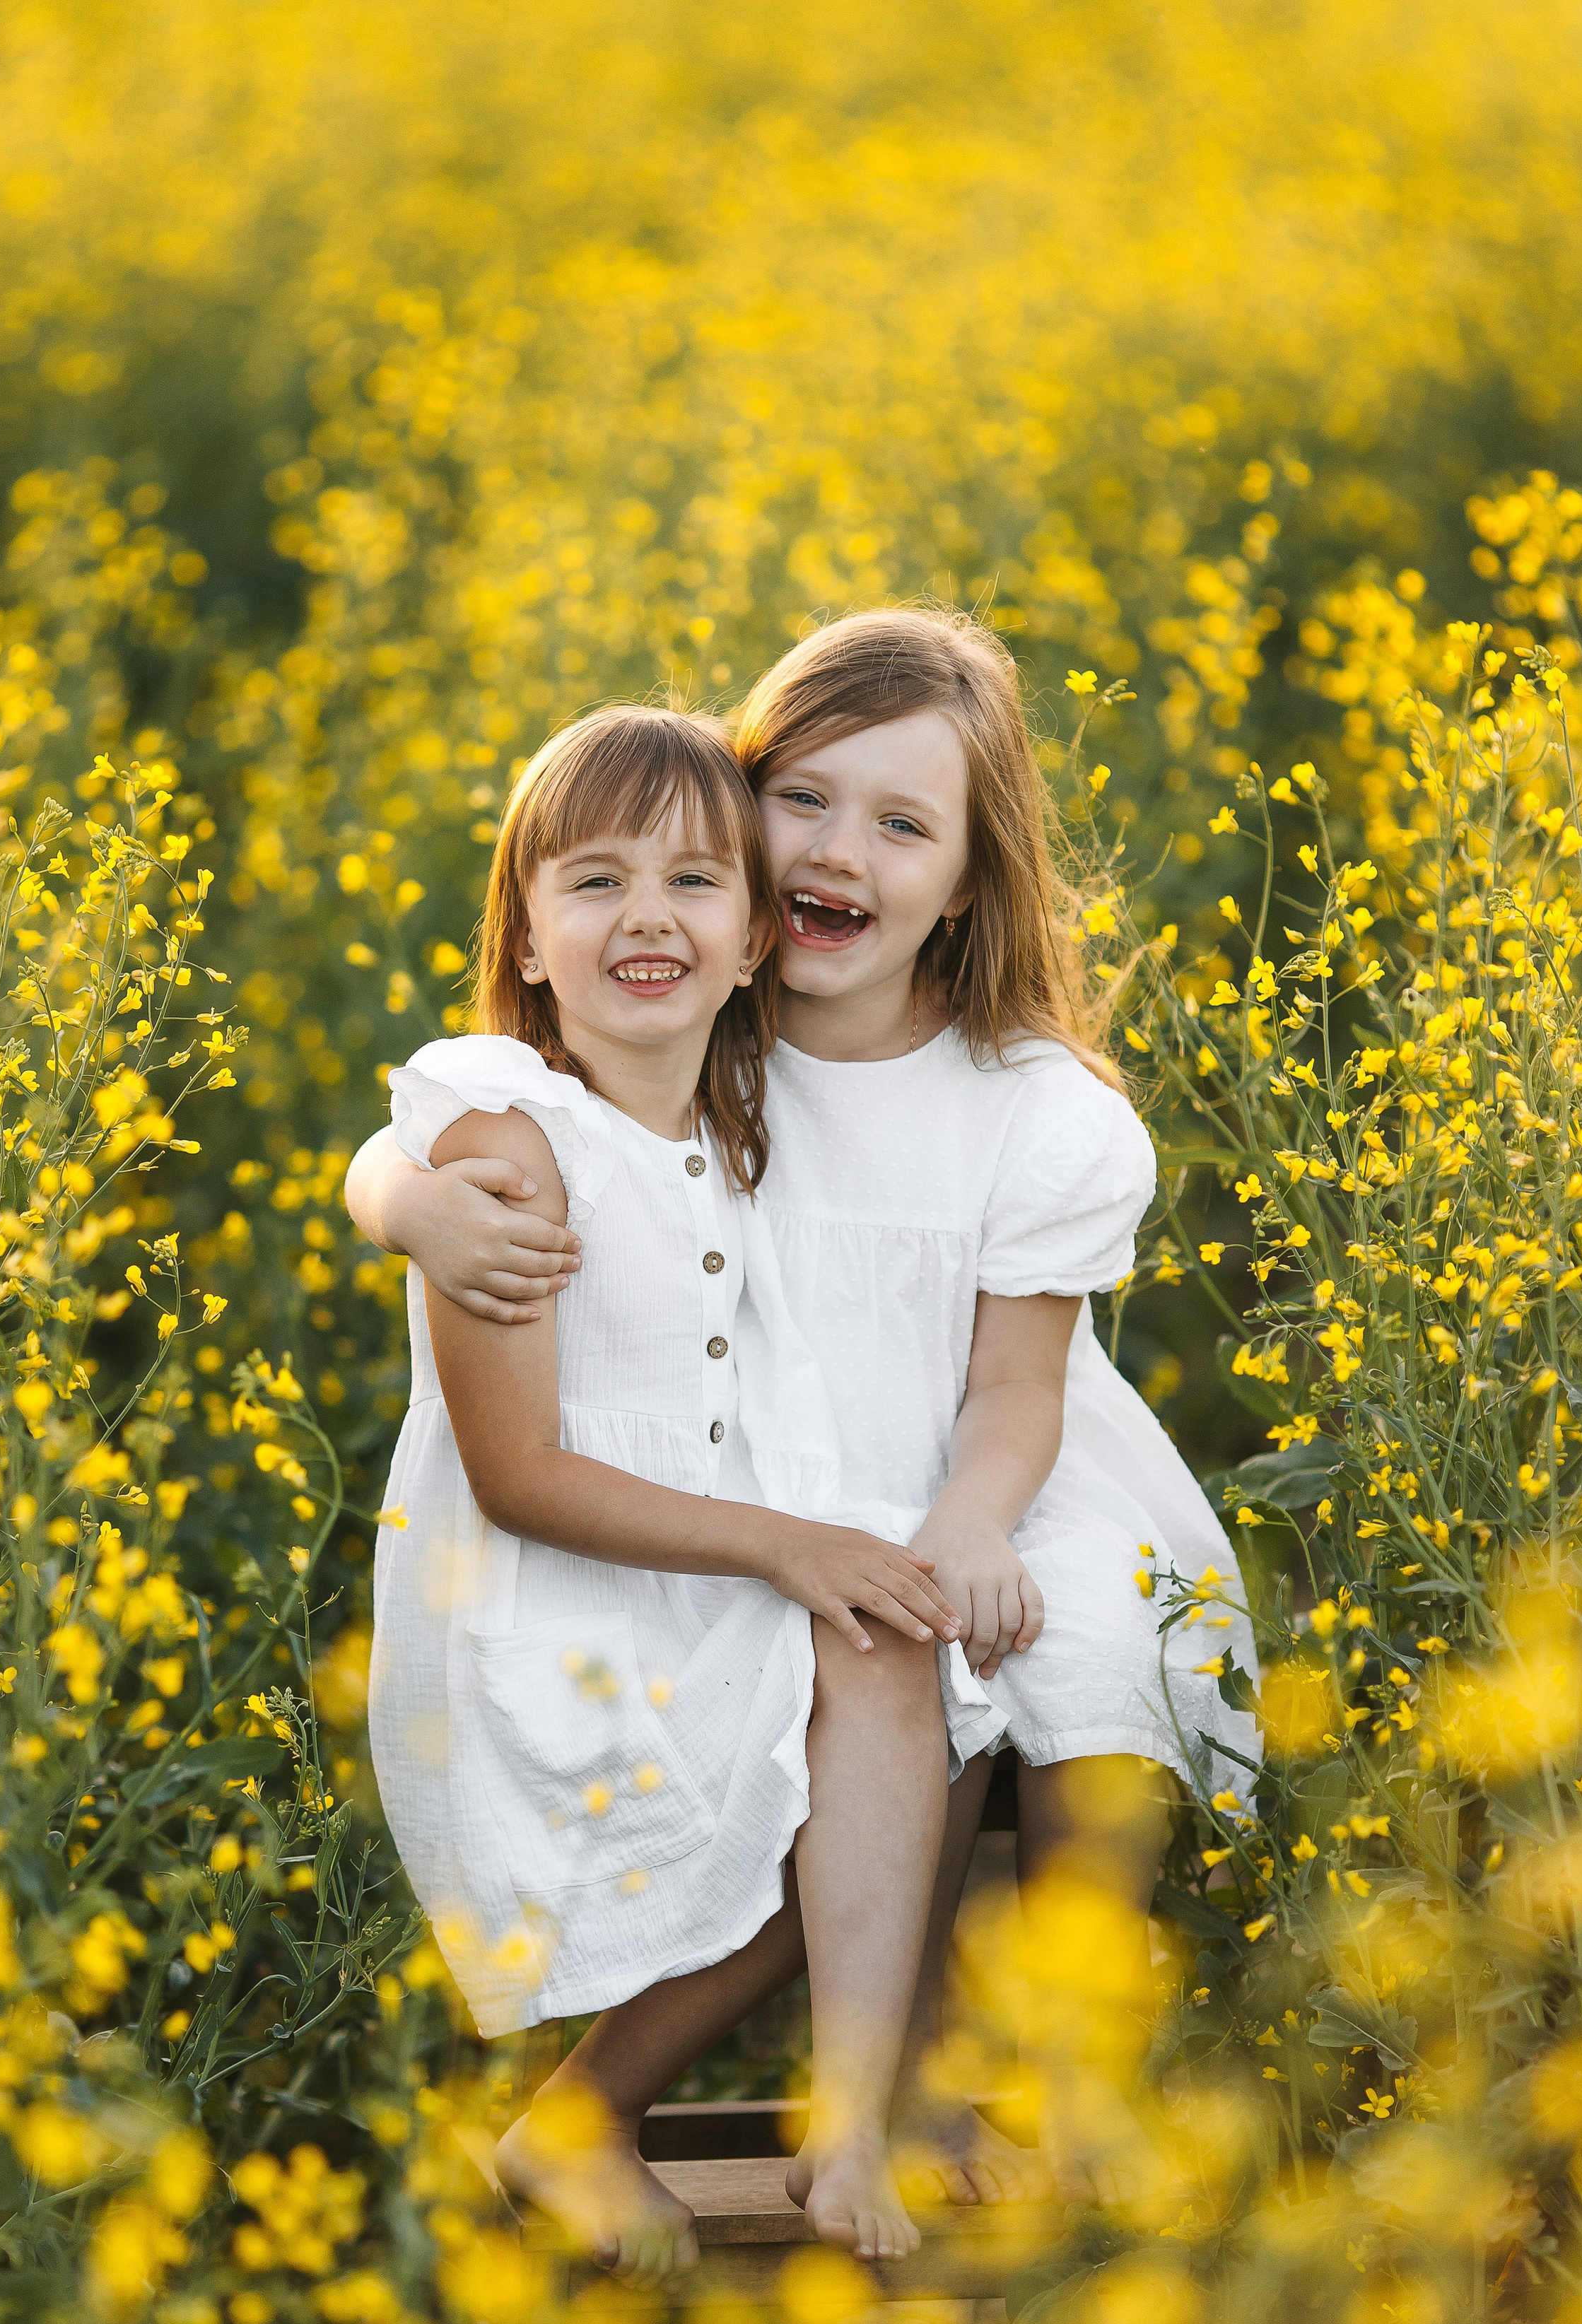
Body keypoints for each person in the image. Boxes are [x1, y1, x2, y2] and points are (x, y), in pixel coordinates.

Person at [350, 611, 1261, 2204]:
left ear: (971, 880)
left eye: (903, 825)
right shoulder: (699, 1022)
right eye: (806, 802)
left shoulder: (1027, 1107)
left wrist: (967, 1520)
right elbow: (490, 1102)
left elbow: (1015, 1388)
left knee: (1090, 1649)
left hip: (1003, 1468)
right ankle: (885, 2107)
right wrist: (398, 1198)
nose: (840, 851)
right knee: (887, 1655)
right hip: (771, 1485)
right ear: (741, 814)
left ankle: (1070, 2071)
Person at [363, 702, 967, 2279]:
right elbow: (515, 1477)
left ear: (759, 935)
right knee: (839, 1760)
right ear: (528, 938)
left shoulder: (732, 1113)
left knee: (910, 1686)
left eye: (694, 882)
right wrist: (402, 1198)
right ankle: (579, 2122)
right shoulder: (506, 1135)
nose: (646, 917)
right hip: (553, 1616)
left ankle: (850, 2130)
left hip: (681, 1586)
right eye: (595, 884)